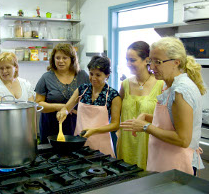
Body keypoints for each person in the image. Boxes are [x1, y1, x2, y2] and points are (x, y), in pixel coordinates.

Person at [120, 37, 206, 175]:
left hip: (176, 166)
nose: (152, 67)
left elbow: (183, 139)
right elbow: (171, 122)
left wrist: (145, 127)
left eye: (157, 62)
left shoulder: (181, 91)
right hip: (162, 162)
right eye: (151, 61)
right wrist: (147, 118)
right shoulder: (169, 86)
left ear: (175, 62)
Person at [57, 56, 121, 157]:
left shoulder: (113, 95)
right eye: (91, 74)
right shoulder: (82, 90)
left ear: (107, 75)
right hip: (79, 141)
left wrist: (94, 131)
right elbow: (67, 108)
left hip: (101, 144)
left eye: (98, 75)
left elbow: (115, 124)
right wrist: (62, 113)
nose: (93, 78)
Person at [116, 41, 164, 170]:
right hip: (126, 143)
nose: (128, 64)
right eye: (127, 60)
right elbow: (116, 110)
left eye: (132, 60)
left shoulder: (161, 85)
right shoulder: (125, 84)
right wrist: (117, 131)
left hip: (149, 143)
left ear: (146, 60)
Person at [35, 43, 89, 144]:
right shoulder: (46, 77)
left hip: (76, 124)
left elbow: (92, 98)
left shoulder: (82, 75)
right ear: (53, 59)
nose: (61, 61)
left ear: (72, 59)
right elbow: (38, 105)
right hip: (51, 125)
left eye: (65, 58)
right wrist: (62, 107)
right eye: (57, 58)